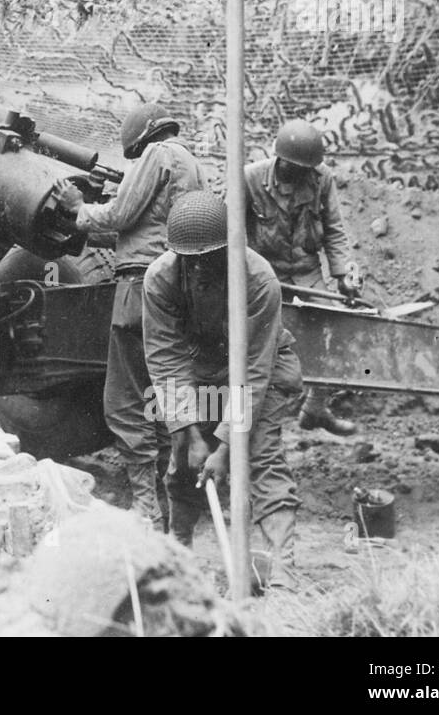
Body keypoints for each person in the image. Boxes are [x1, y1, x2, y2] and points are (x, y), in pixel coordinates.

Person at [52, 102, 205, 529]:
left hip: (139, 287)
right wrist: (87, 219)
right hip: (174, 284)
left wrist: (77, 205)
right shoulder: (190, 162)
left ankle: (146, 505)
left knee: (123, 401)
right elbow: (132, 225)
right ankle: (167, 499)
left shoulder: (157, 155)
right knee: (160, 396)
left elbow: (120, 216)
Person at [143, 190, 302, 592]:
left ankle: (281, 569)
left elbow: (252, 371)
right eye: (188, 260)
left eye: (208, 259)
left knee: (260, 456)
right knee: (184, 460)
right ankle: (178, 554)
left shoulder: (259, 280)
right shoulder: (160, 278)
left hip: (257, 369)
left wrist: (228, 447)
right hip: (200, 370)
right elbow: (166, 359)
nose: (197, 269)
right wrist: (192, 435)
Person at [245, 118, 361, 436]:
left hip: (306, 271)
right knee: (261, 342)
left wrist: (343, 275)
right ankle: (254, 419)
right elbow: (231, 233)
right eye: (297, 168)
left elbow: (335, 230)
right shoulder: (250, 178)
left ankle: (316, 408)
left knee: (332, 329)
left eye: (308, 168)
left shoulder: (321, 179)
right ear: (281, 160)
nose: (303, 174)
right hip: (265, 274)